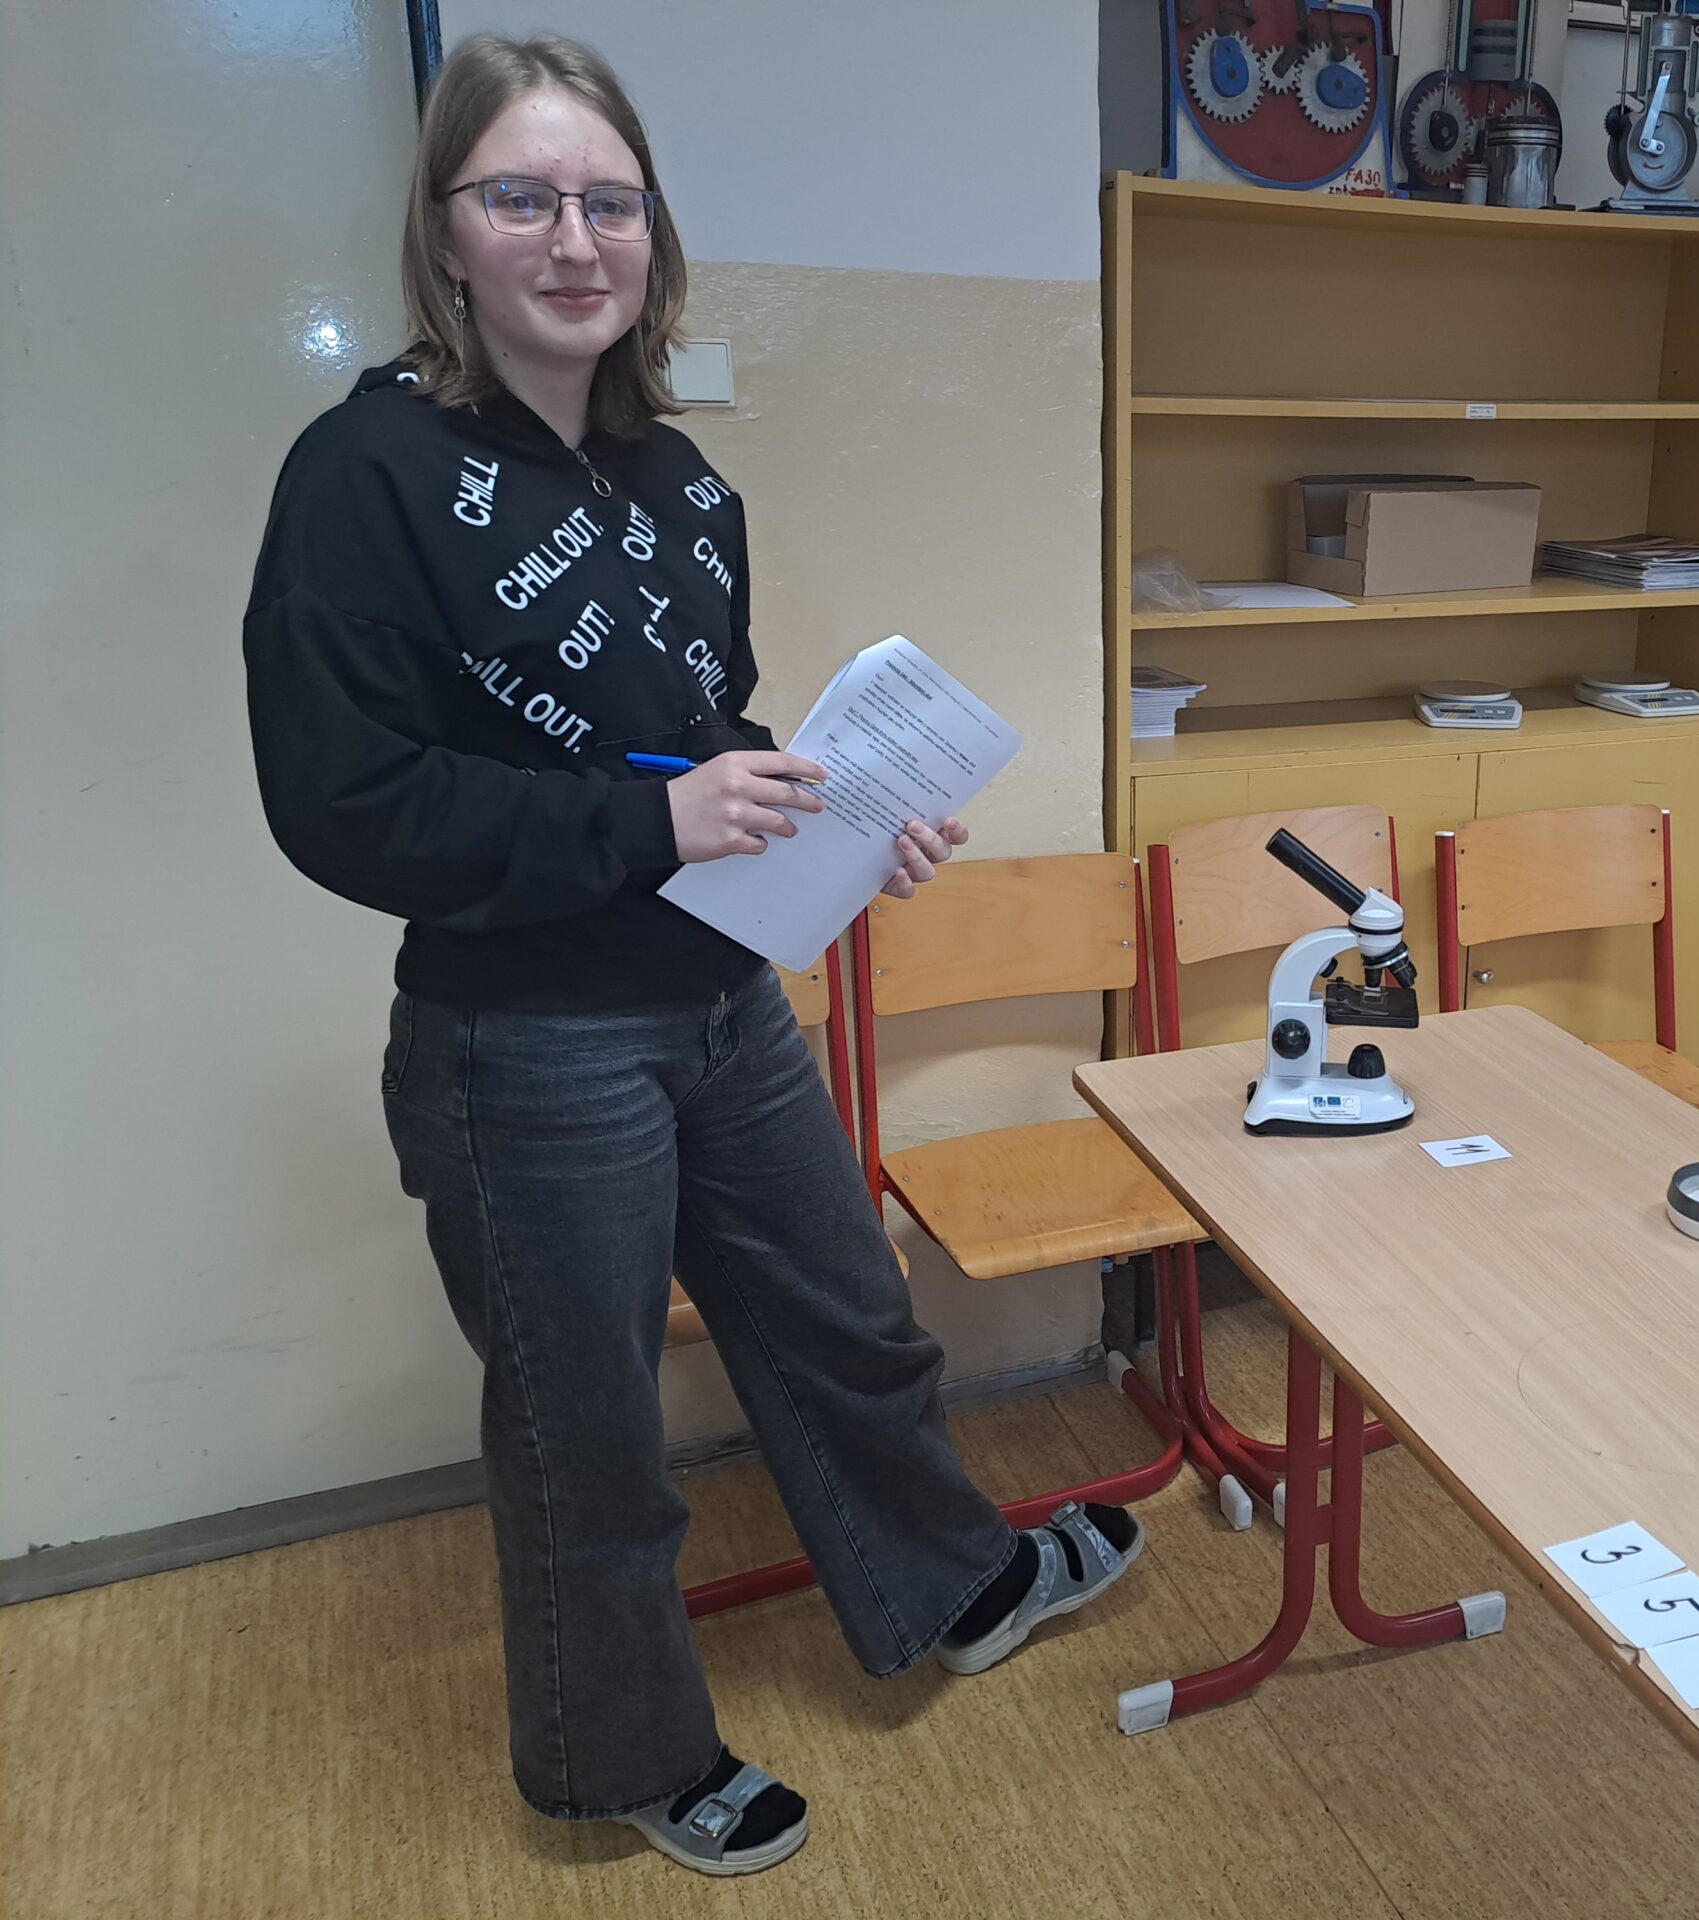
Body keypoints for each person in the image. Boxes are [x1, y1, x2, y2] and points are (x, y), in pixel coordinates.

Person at [241, 33, 1141, 1877]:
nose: (574, 240)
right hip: (525, 1045)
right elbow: (344, 804)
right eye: (522, 198)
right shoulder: (364, 473)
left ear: (653, 232)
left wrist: (838, 817)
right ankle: (623, 1755)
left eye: (610, 202)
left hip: (721, 999)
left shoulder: (676, 484)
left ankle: (952, 1584)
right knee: (588, 1433)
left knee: (850, 1321)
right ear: (446, 229)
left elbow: (688, 740)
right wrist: (649, 830)